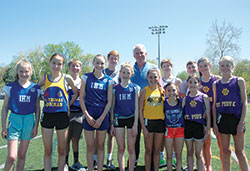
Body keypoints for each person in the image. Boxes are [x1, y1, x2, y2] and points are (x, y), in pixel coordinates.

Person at [39, 53, 78, 171]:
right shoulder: (44, 78)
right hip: (47, 117)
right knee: (48, 150)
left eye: (59, 64)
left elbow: (76, 93)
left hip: (62, 117)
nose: (56, 66)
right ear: (50, 63)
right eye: (54, 63)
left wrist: (68, 105)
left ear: (63, 65)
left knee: (62, 150)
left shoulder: (67, 78)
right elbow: (34, 89)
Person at [1, 59, 41, 171]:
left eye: (26, 71)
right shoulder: (10, 87)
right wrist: (3, 126)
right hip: (14, 120)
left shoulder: (35, 88)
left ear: (31, 72)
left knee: (22, 155)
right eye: (21, 71)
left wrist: (35, 126)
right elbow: (4, 108)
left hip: (29, 121)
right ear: (17, 72)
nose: (24, 74)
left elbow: (38, 108)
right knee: (12, 156)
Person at [213, 56, 249, 171]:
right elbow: (214, 105)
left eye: (227, 65)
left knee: (239, 151)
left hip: (236, 119)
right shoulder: (216, 84)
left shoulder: (239, 81)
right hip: (223, 120)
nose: (225, 68)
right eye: (222, 65)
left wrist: (241, 122)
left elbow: (244, 103)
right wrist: (215, 123)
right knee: (225, 151)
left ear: (232, 66)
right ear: (219, 67)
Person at [79, 54, 113, 171]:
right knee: (90, 146)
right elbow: (81, 98)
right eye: (97, 62)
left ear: (105, 64)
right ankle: (90, 168)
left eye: (102, 63)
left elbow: (109, 102)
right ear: (93, 63)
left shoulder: (108, 80)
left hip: (102, 115)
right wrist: (87, 116)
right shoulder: (86, 77)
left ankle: (99, 168)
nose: (99, 65)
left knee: (100, 146)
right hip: (89, 113)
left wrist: (101, 118)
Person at [130, 44, 156, 167]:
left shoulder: (153, 67)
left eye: (141, 53)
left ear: (146, 53)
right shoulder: (130, 69)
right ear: (133, 55)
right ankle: (134, 160)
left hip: (150, 109)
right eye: (137, 53)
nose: (139, 55)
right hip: (134, 108)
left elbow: (159, 86)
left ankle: (150, 161)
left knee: (149, 136)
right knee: (135, 135)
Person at [110, 63, 140, 171]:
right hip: (119, 119)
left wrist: (136, 124)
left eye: (128, 72)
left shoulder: (135, 88)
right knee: (121, 148)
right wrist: (112, 124)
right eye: (124, 72)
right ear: (120, 73)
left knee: (131, 149)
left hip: (131, 118)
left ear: (131, 74)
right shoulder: (115, 88)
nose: (126, 74)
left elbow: (137, 107)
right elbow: (112, 107)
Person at [198, 57, 222, 171]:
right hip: (204, 116)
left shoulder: (217, 80)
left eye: (205, 66)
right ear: (198, 68)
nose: (203, 68)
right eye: (201, 66)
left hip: (217, 114)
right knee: (206, 143)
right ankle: (208, 166)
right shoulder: (198, 81)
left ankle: (224, 167)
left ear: (210, 65)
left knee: (222, 144)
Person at [183, 73, 210, 171]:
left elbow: (208, 115)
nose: (192, 84)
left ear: (199, 84)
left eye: (195, 82)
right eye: (190, 82)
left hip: (199, 127)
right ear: (187, 83)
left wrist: (208, 130)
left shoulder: (204, 97)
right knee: (189, 151)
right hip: (188, 127)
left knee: (198, 153)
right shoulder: (185, 98)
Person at [139, 68, 165, 171]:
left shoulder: (162, 91)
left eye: (155, 77)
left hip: (160, 123)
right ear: (147, 78)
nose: (153, 79)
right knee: (148, 150)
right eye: (151, 77)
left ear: (159, 78)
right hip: (148, 123)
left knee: (157, 150)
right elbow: (140, 110)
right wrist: (143, 127)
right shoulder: (144, 91)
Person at [160, 58, 182, 167]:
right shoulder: (160, 79)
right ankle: (162, 157)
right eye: (164, 66)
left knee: (177, 148)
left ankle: (174, 160)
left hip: (176, 111)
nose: (166, 67)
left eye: (168, 65)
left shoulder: (177, 80)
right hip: (165, 110)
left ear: (171, 66)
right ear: (162, 68)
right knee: (166, 139)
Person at [64, 59, 85, 170]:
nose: (75, 68)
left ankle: (76, 162)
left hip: (79, 113)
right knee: (66, 139)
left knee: (75, 139)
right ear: (69, 67)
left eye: (77, 66)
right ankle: (65, 163)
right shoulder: (64, 79)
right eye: (73, 66)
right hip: (66, 113)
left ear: (80, 68)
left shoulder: (83, 81)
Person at [104, 50, 120, 170]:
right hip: (101, 106)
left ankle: (109, 160)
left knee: (111, 135)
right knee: (98, 135)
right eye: (112, 58)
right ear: (108, 59)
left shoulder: (120, 73)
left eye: (116, 58)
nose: (113, 60)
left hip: (114, 108)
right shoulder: (102, 71)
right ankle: (95, 159)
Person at [164, 82, 184, 171]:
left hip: (180, 130)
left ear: (177, 91)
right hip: (168, 130)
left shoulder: (182, 101)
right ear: (165, 92)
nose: (171, 92)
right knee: (169, 154)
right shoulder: (164, 103)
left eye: (173, 90)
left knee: (178, 155)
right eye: (169, 90)